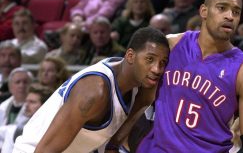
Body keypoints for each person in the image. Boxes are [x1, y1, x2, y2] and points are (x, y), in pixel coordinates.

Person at [109, 0, 243, 153]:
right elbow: (140, 98)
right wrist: (114, 142)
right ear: (204, 11)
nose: (229, 16)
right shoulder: (171, 46)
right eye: (222, 8)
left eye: (236, 12)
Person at [13, 27, 169, 153]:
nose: (157, 69)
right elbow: (45, 151)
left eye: (163, 62)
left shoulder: (136, 85)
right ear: (130, 56)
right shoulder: (95, 92)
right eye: (150, 59)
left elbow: (112, 146)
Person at [0, 83, 53, 153]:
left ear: (45, 105)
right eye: (26, 101)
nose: (26, 105)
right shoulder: (20, 125)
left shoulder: (49, 128)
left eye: (32, 102)